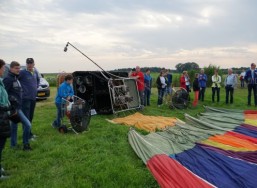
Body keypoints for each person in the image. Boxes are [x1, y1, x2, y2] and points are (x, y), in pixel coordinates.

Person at [3, 61, 32, 151]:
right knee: (28, 125)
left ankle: (13, 145)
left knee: (14, 126)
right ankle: (26, 144)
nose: (18, 70)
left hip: (19, 106)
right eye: (16, 68)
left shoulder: (16, 78)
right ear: (11, 68)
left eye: (19, 68)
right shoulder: (8, 79)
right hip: (14, 108)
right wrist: (10, 105)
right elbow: (4, 94)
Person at [19, 58, 39, 140]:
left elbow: (37, 80)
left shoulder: (35, 72)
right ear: (26, 64)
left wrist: (35, 87)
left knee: (30, 117)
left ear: (34, 64)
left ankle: (29, 134)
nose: (30, 65)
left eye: (31, 63)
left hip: (33, 98)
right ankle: (26, 137)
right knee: (26, 118)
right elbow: (16, 80)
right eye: (28, 63)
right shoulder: (22, 72)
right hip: (25, 99)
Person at [0, 59, 11, 179]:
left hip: (3, 116)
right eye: (3, 68)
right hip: (1, 116)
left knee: (1, 145)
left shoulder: (1, 82)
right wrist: (6, 106)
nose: (4, 70)